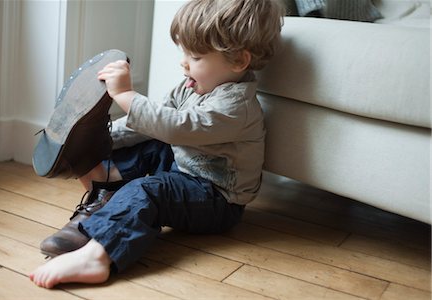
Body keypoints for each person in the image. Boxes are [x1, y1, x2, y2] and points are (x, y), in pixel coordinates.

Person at [30, 0, 284, 288]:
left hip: (217, 199)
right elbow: (153, 124)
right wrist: (103, 140)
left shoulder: (236, 106)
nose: (184, 62)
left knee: (149, 191)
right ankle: (106, 181)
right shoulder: (192, 85)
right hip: (186, 168)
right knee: (149, 140)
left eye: (196, 56)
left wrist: (126, 95)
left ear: (239, 61)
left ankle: (98, 255)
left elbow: (174, 127)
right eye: (184, 52)